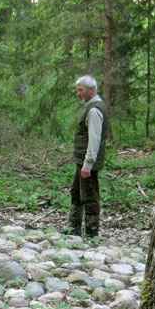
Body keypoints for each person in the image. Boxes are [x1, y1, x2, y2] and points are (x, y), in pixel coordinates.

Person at [68, 75, 108, 238]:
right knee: (76, 193)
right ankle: (74, 230)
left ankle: (92, 233)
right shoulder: (90, 107)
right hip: (82, 161)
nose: (78, 93)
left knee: (90, 196)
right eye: (77, 90)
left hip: (87, 163)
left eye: (80, 90)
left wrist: (88, 165)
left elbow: (95, 140)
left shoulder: (94, 110)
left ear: (91, 90)